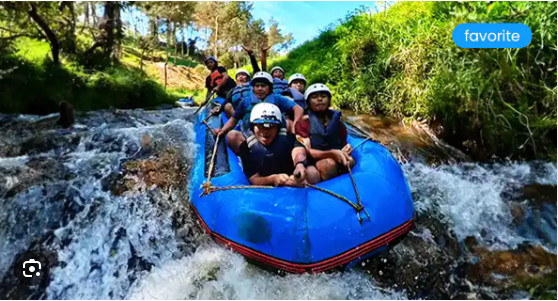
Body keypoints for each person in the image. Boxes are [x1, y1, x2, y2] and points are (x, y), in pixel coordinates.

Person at [213, 71, 304, 155]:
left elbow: (298, 109)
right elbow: (234, 119)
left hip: (274, 132)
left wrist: (296, 124)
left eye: (263, 86)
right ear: (252, 88)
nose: (260, 89)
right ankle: (247, 158)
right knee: (232, 136)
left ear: (270, 87)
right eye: (257, 86)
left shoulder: (277, 98)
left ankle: (293, 151)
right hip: (251, 134)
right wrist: (223, 130)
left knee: (289, 123)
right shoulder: (245, 102)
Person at [293, 83, 354, 184]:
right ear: (308, 103)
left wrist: (345, 149)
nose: (320, 99)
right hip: (313, 161)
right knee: (328, 165)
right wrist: (332, 153)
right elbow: (307, 150)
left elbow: (342, 143)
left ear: (329, 101)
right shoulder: (303, 123)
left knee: (350, 161)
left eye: (323, 96)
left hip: (336, 156)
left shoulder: (338, 124)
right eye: (314, 97)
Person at [238, 103, 307, 187]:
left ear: (278, 128)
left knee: (312, 174)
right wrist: (273, 179)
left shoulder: (289, 139)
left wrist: (299, 165)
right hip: (267, 184)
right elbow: (254, 179)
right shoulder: (245, 148)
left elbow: (298, 151)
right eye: (261, 126)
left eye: (271, 126)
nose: (266, 131)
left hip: (291, 177)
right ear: (252, 127)